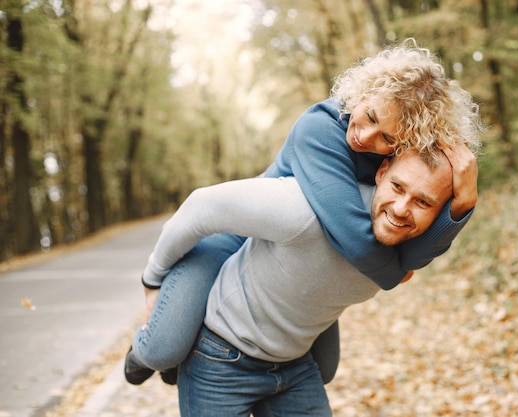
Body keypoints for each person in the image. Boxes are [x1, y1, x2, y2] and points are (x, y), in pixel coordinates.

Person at [125, 40, 482, 386]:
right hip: (237, 240)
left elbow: (408, 244)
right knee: (162, 350)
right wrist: (152, 279)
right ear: (363, 93)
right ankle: (142, 352)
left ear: (404, 146)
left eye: (387, 138)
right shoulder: (320, 129)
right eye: (369, 116)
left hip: (300, 265)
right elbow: (360, 244)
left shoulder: (398, 172)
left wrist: (460, 207)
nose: (364, 136)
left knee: (322, 370)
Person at [157, 145, 470, 416]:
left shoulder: (411, 247)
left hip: (294, 364)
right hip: (222, 358)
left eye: (423, 202)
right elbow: (202, 206)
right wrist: (152, 278)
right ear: (382, 172)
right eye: (398, 187)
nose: (401, 210)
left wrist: (466, 201)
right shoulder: (304, 211)